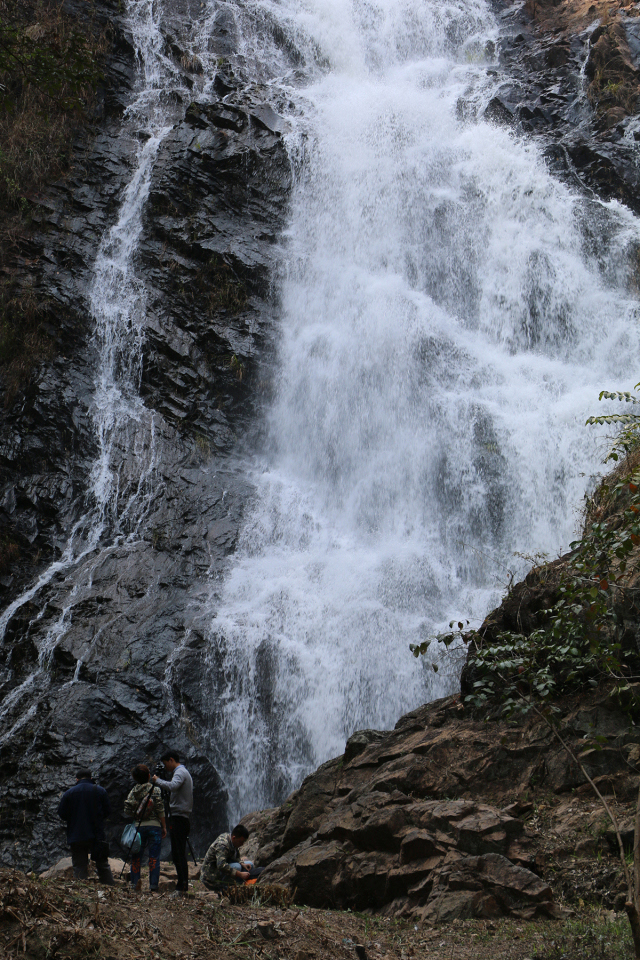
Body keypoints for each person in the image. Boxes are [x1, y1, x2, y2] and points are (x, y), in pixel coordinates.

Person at [57, 768, 115, 884]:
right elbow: (108, 811)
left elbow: (62, 813)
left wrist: (74, 820)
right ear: (91, 778)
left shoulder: (69, 793)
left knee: (79, 865)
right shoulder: (100, 791)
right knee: (102, 864)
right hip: (96, 833)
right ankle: (110, 888)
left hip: (76, 834)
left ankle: (81, 891)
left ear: (77, 779)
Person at [151, 749, 193, 894]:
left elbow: (173, 786)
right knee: (178, 852)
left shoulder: (180, 772)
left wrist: (158, 781)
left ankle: (182, 886)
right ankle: (182, 885)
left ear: (171, 760)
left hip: (179, 818)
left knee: (178, 853)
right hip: (179, 817)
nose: (166, 768)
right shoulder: (182, 772)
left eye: (165, 764)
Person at [123, 764, 167, 892]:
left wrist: (136, 814)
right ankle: (153, 885)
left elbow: (127, 810)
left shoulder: (133, 792)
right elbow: (160, 809)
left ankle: (134, 884)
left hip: (138, 828)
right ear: (149, 776)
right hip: (154, 827)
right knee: (154, 857)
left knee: (136, 856)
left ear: (135, 778)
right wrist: (164, 826)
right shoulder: (156, 790)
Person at [201, 823, 264, 890]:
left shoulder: (232, 840)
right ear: (234, 838)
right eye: (241, 842)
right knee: (237, 867)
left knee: (249, 864)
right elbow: (221, 865)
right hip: (211, 875)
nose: (242, 844)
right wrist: (239, 874)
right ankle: (228, 887)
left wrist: (242, 863)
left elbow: (235, 856)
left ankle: (244, 884)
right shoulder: (223, 845)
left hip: (222, 869)